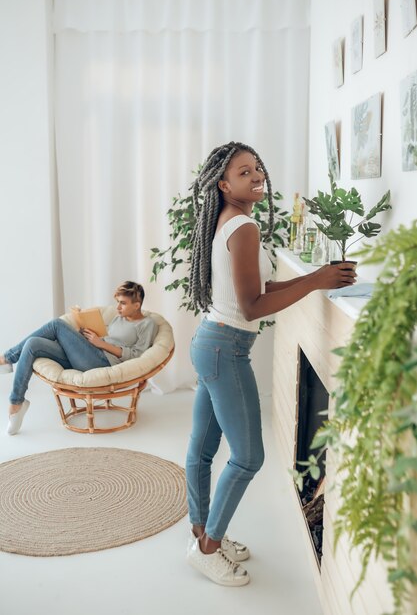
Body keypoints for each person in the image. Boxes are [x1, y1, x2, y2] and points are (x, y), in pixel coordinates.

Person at [185, 142, 356, 587]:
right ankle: (207, 548)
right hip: (226, 348)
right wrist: (318, 280)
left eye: (257, 167)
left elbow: (264, 285)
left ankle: (203, 533)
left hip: (210, 343)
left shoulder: (231, 221)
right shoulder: (243, 226)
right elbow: (252, 306)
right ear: (224, 185)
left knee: (202, 450)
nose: (257, 174)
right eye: (244, 172)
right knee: (247, 457)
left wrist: (317, 278)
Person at [0, 281, 157, 435]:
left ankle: (6, 359)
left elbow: (137, 355)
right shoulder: (119, 317)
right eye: (117, 302)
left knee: (56, 324)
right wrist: (87, 336)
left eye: (123, 303)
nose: (118, 307)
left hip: (101, 361)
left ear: (137, 305)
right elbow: (108, 338)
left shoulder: (147, 324)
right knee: (33, 344)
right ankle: (17, 403)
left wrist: (100, 344)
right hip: (88, 354)